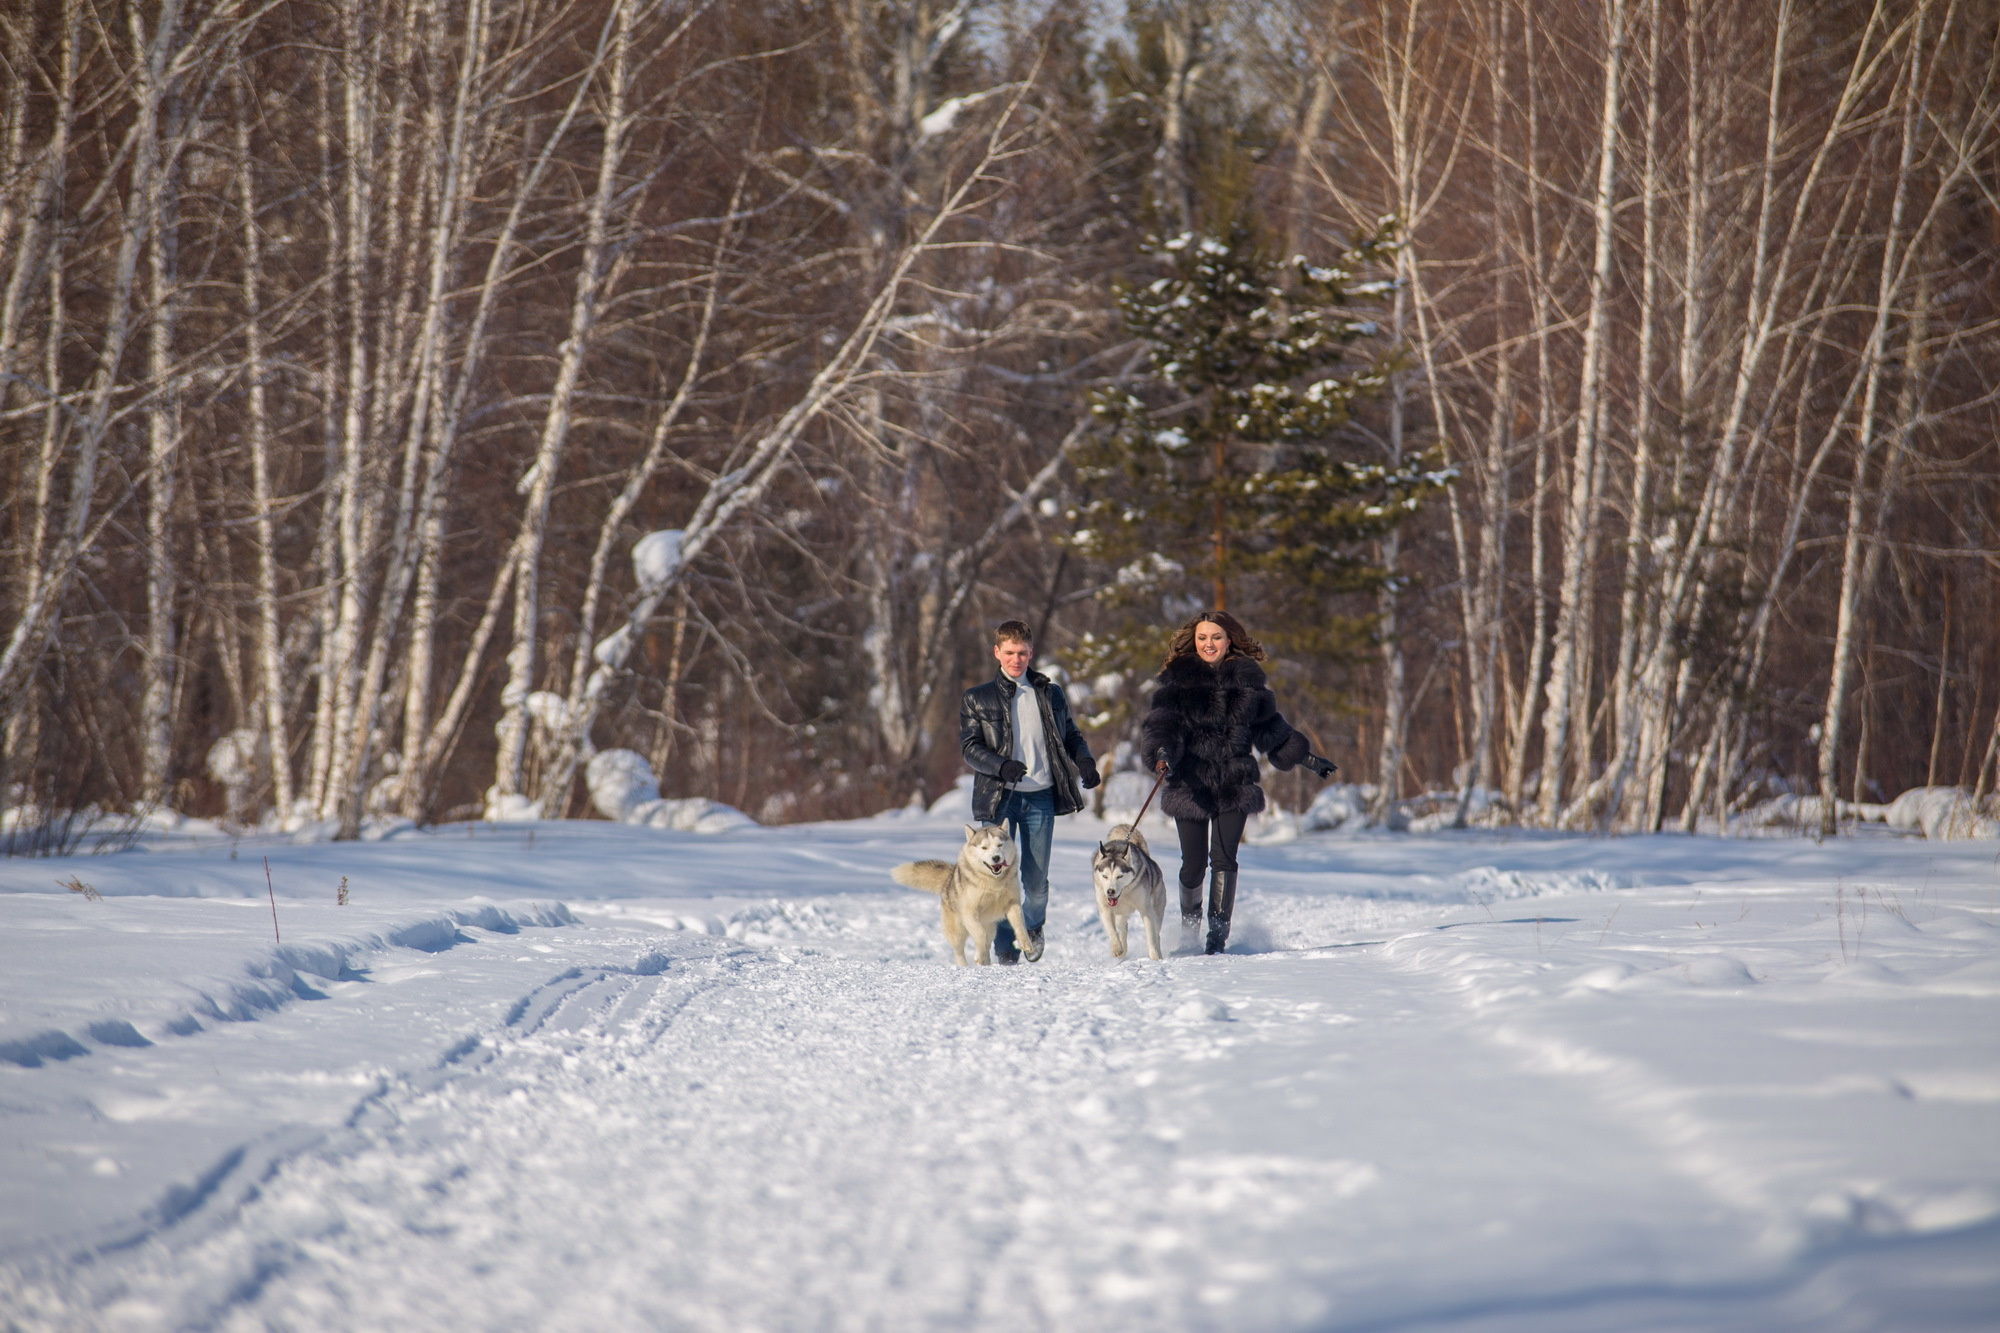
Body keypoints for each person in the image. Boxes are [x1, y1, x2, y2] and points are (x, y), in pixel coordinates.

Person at [1140, 611, 1337, 955]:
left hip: (1235, 783)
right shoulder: (1177, 682)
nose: (1208, 644)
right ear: (1194, 641)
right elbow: (1161, 727)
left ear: (1229, 639)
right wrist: (1162, 754)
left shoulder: (1247, 683)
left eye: (1216, 637)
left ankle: (1217, 936)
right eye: (1202, 638)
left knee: (1225, 858)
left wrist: (1309, 759)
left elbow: (1272, 730)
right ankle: (1190, 929)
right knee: (1193, 864)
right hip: (1191, 785)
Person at [959, 619, 1101, 964]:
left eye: (1022, 653)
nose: (1016, 659)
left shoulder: (1049, 693)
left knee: (1035, 884)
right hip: (999, 797)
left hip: (1040, 796)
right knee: (998, 881)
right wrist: (1000, 766)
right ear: (997, 652)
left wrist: (1084, 761)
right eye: (1009, 652)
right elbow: (969, 747)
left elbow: (1071, 735)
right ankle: (1006, 944)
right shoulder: (977, 698)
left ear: (1031, 652)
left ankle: (1033, 927)